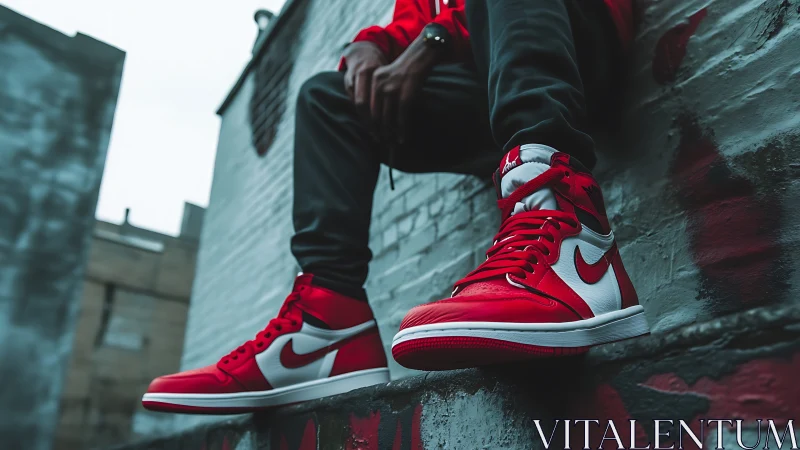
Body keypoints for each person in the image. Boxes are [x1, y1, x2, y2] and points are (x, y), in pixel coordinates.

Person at [142, 0, 649, 413]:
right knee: (325, 97)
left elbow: (430, 32)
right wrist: (368, 47)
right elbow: (408, 22)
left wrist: (432, 43)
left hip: (575, 42)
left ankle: (565, 218)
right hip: (486, 86)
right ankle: (329, 324)